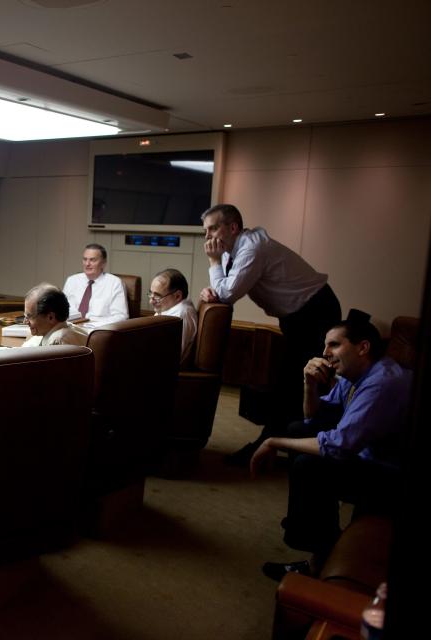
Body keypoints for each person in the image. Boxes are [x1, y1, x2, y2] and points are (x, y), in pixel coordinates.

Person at [250, 317, 410, 581]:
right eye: (325, 346)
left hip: (393, 475)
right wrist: (308, 384)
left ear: (363, 347)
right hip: (371, 452)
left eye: (334, 345)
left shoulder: (383, 383)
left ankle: (320, 555)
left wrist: (271, 442)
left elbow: (338, 446)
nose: (325, 353)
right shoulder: (354, 373)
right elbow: (313, 419)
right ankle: (308, 522)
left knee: (309, 466)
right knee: (297, 429)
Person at [199, 204, 341, 464]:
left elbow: (228, 293)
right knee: (291, 381)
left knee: (298, 381)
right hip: (296, 315)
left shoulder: (251, 248)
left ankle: (282, 445)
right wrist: (212, 289)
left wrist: (213, 263)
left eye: (213, 228)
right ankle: (287, 442)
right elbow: (224, 290)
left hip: (316, 310)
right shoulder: (233, 251)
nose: (208, 236)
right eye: (205, 230)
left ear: (232, 228)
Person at [63, 243, 129, 326]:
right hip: (70, 328)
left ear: (103, 263)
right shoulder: (72, 280)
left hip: (97, 330)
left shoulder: (115, 283)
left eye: (92, 260)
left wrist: (93, 325)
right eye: (85, 259)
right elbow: (61, 309)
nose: (87, 264)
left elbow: (121, 317)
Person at [149, 268, 197, 365]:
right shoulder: (169, 309)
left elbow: (168, 358)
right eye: (150, 294)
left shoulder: (180, 315)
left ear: (177, 296)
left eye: (157, 296)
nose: (151, 301)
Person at [21, 284, 87, 347]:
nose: (25, 322)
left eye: (29, 316)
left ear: (51, 317)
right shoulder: (69, 328)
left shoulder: (57, 342)